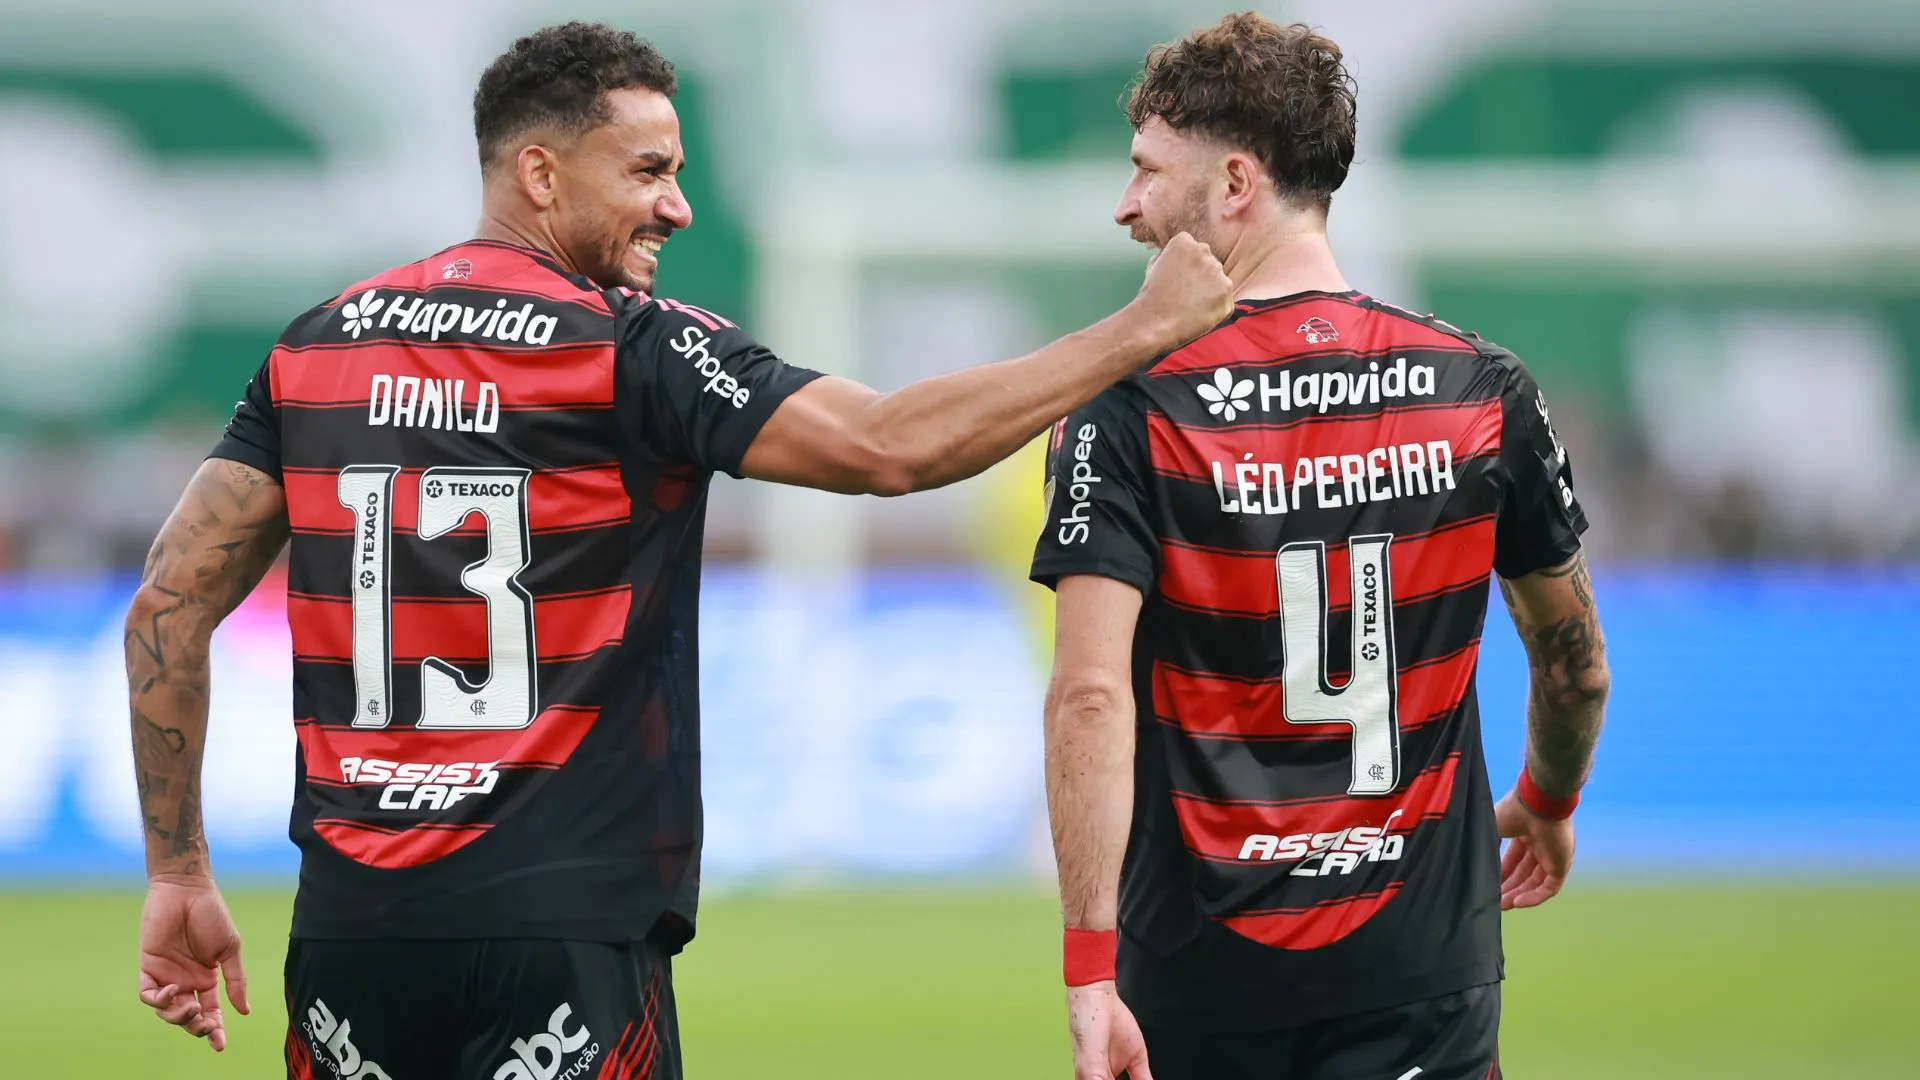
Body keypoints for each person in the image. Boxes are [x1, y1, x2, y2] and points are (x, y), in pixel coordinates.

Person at [124, 21, 1231, 1079]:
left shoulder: (319, 346)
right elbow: (890, 447)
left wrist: (176, 870)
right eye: (648, 171)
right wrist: (1140, 330)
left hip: (349, 938)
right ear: (542, 175)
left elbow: (167, 606)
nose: (679, 205)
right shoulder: (627, 349)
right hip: (558, 937)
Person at [1031, 13, 1611, 1080]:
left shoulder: (1128, 412)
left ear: (1237, 183)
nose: (1126, 207)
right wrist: (1548, 799)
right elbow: (1575, 664)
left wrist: (1087, 968)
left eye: (1147, 173)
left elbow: (1090, 699)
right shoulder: (1481, 390)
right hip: (1418, 974)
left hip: (1199, 980)